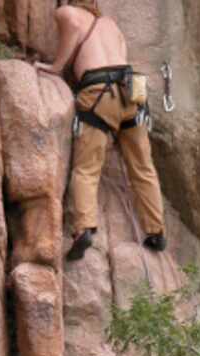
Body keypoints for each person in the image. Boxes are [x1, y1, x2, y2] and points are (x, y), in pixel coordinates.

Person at [35, 0, 167, 261]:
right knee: (143, 167)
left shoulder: (66, 12)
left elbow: (72, 27)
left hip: (98, 93)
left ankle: (83, 229)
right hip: (132, 92)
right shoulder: (110, 25)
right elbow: (121, 55)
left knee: (86, 169)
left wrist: (55, 67)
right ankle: (157, 231)